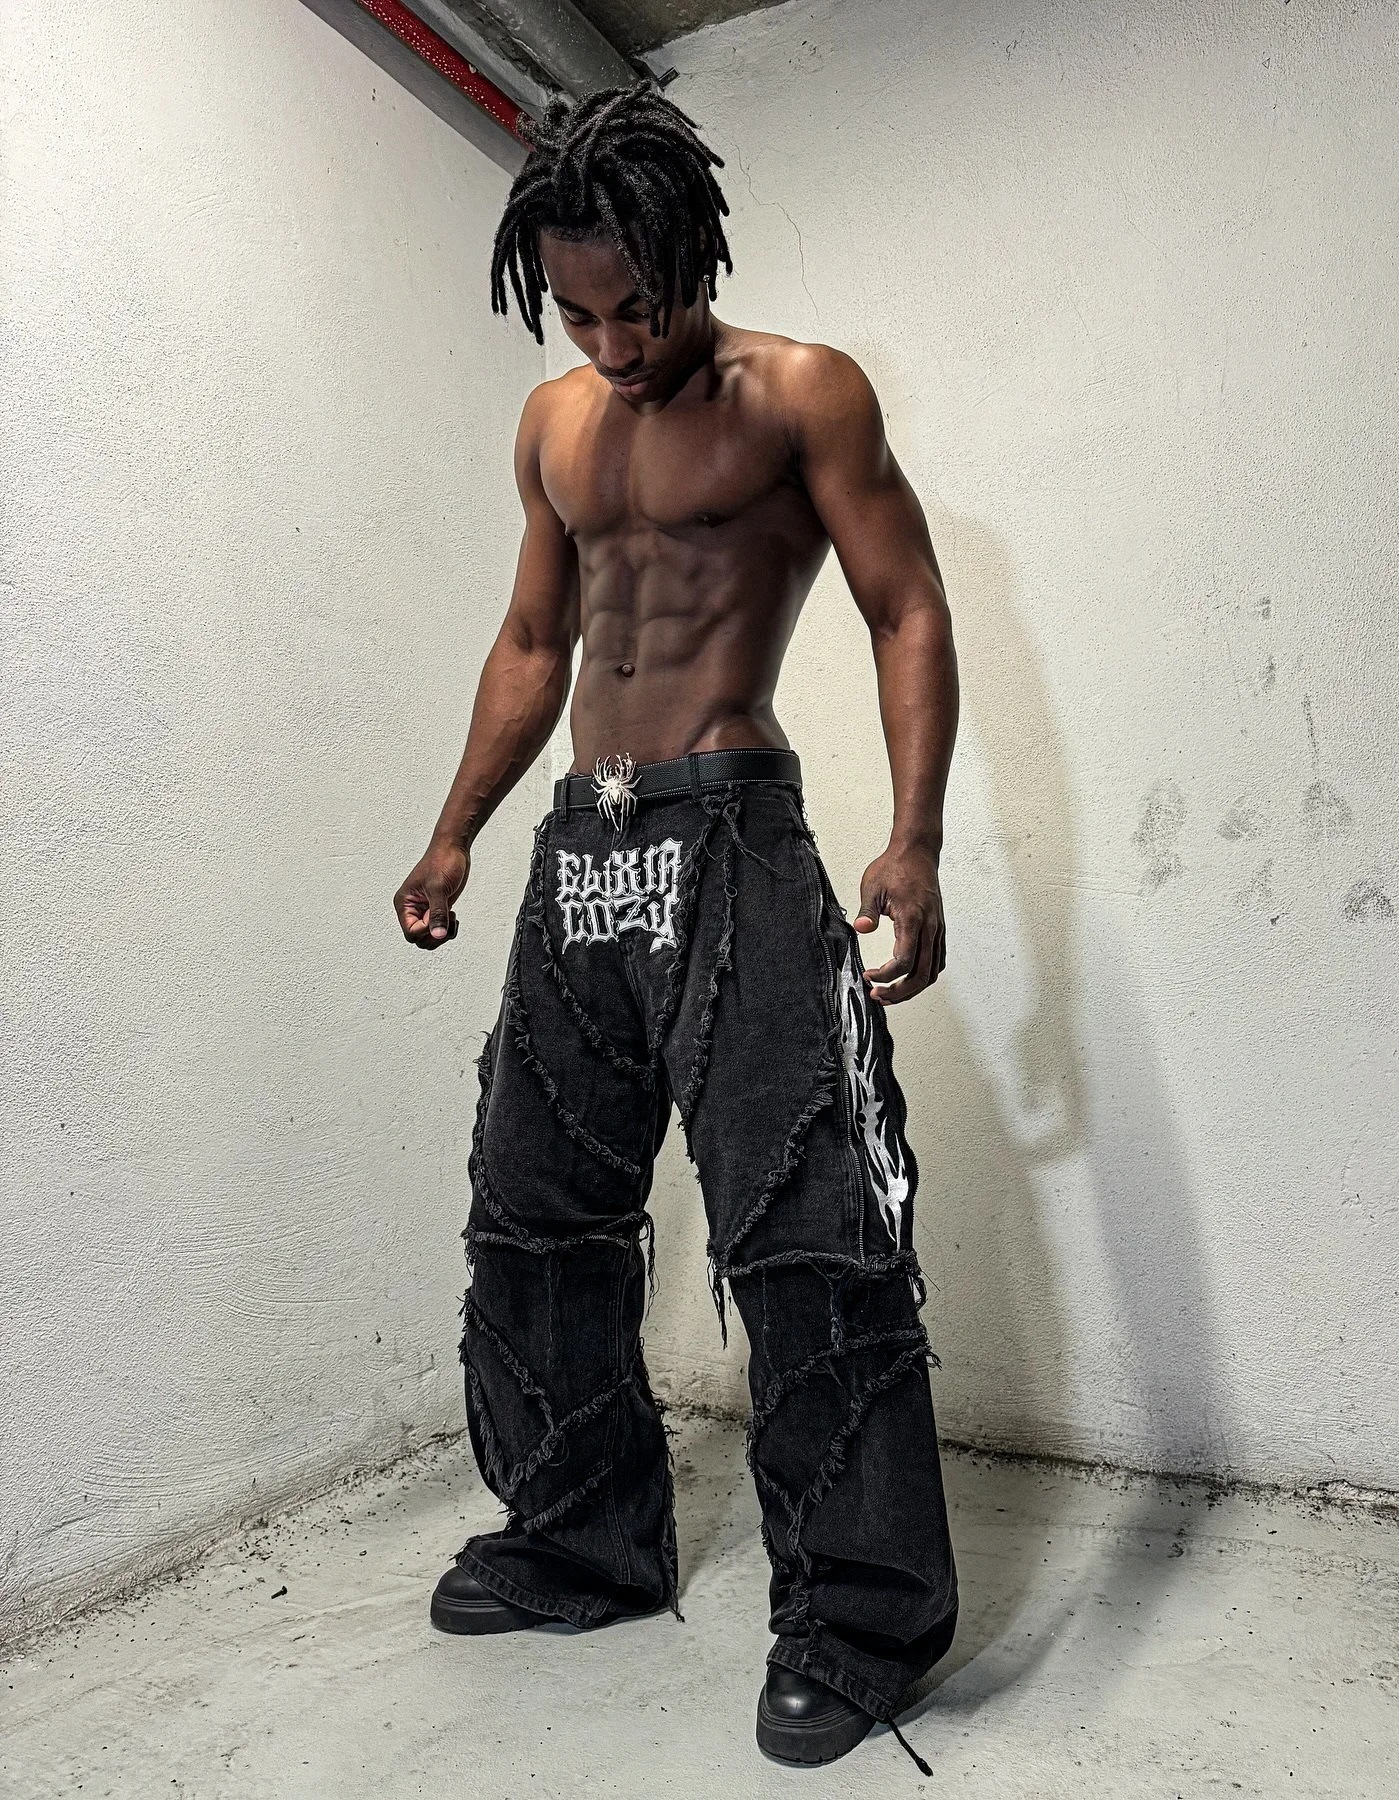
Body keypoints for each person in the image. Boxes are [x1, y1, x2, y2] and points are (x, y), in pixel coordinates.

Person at [394, 85, 960, 1773]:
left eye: (638, 305)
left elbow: (905, 604)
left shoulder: (803, 392)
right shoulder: (554, 424)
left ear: (692, 256)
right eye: (580, 313)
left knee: (804, 1224)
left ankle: (864, 1620)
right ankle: (586, 1543)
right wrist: (455, 831)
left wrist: (916, 837)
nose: (614, 344)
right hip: (587, 839)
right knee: (536, 1210)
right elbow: (532, 644)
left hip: (730, 828)